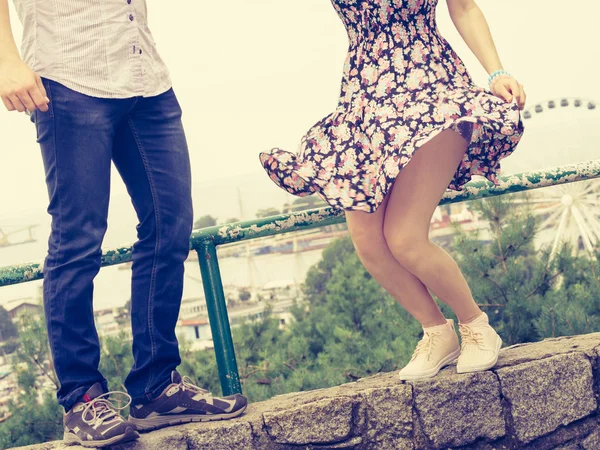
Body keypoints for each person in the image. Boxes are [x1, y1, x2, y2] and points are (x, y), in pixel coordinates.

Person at [0, 0, 247, 447]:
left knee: (171, 224)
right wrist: (6, 59)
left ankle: (156, 387)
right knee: (78, 238)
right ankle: (81, 399)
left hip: (145, 76)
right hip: (68, 73)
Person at [260, 0, 526, 381]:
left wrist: (496, 72)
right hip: (364, 102)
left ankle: (475, 324)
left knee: (404, 238)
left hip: (432, 90)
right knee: (367, 241)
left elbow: (464, 7)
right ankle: (437, 332)